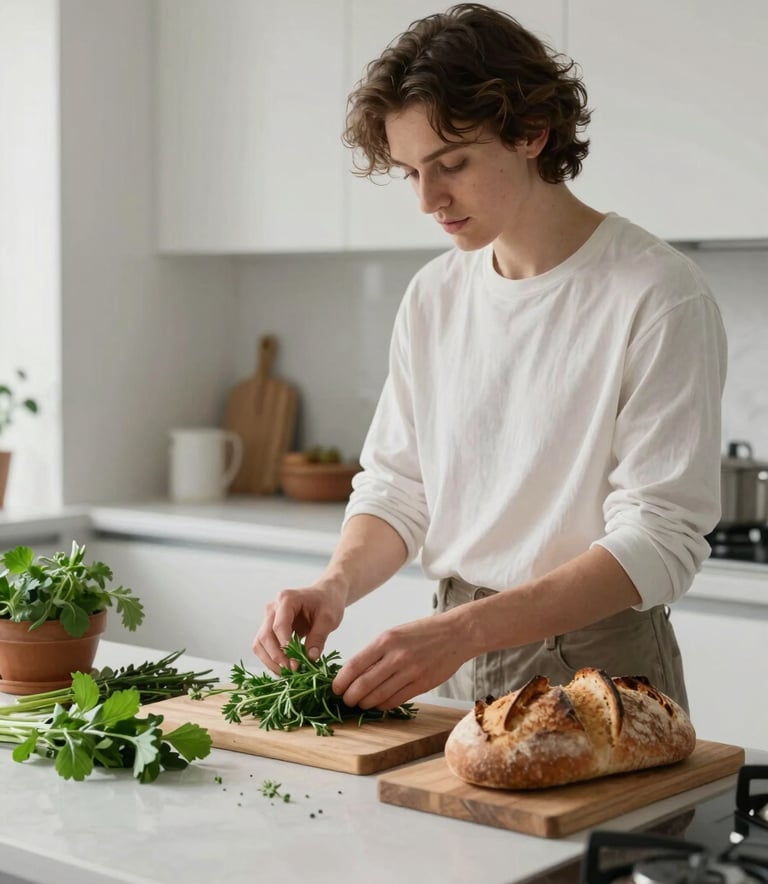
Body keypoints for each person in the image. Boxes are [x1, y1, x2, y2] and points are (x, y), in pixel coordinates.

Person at [252, 3, 727, 712]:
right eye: (410, 171)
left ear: (532, 132)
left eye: (452, 164)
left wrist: (463, 631)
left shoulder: (657, 293)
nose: (427, 199)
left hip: (596, 663)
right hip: (452, 655)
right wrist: (334, 585)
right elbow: (397, 488)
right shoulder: (434, 295)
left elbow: (660, 540)